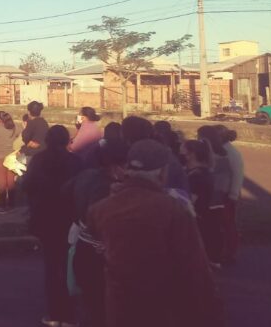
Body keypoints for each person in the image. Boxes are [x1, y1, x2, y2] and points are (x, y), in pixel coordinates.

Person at [86, 139, 225, 327]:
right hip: (162, 309)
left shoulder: (100, 209)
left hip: (119, 309)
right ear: (162, 173)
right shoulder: (174, 210)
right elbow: (196, 271)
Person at [66, 134, 129, 327]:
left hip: (83, 249)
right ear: (117, 165)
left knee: (91, 307)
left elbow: (64, 193)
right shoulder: (109, 188)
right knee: (106, 309)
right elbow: (103, 222)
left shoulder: (86, 175)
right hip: (101, 254)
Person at [22, 125, 82, 327]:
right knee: (70, 268)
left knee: (51, 267)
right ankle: (69, 314)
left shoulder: (39, 160)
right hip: (69, 220)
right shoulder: (75, 161)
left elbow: (27, 186)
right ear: (67, 141)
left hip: (46, 219)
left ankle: (55, 314)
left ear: (47, 140)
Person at [198, 125, 233, 266]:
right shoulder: (223, 153)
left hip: (210, 197)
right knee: (216, 228)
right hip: (220, 196)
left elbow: (210, 176)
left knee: (208, 229)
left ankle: (210, 257)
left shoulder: (212, 156)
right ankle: (216, 256)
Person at [183, 139, 222, 266]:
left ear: (191, 154)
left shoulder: (196, 176)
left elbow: (189, 202)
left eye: (183, 151)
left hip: (198, 222)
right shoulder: (205, 172)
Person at [220, 126, 243, 264]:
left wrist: (233, 195)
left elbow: (238, 175)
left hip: (229, 194)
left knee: (228, 224)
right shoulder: (222, 150)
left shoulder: (232, 153)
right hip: (224, 193)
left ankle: (230, 252)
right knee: (223, 224)